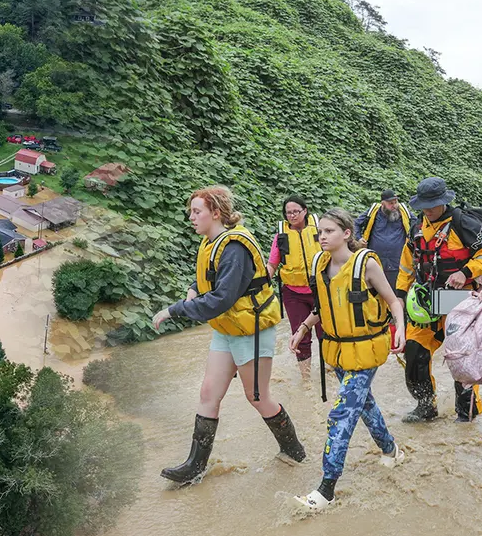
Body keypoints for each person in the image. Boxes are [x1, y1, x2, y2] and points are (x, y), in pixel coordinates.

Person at [153, 186, 306, 484]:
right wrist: (194, 290)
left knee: (257, 397)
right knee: (208, 393)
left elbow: (222, 298)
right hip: (227, 327)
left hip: (251, 328)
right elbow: (209, 278)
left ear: (215, 213)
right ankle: (194, 467)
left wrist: (176, 309)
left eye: (197, 211)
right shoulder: (210, 242)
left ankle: (294, 452)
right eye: (191, 211)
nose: (191, 217)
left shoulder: (234, 248)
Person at [289, 209, 407, 509]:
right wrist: (303, 329)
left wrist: (401, 330)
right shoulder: (320, 265)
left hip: (366, 351)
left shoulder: (366, 265)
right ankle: (391, 450)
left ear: (346, 233)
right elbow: (324, 306)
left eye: (329, 231)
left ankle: (326, 490)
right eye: (320, 232)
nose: (322, 237)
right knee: (364, 405)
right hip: (339, 352)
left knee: (341, 414)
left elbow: (393, 301)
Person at [395, 177, 482, 423]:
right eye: (424, 206)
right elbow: (406, 266)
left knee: (462, 358)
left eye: (432, 205)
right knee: (414, 352)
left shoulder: (465, 224)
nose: (428, 210)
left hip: (460, 301)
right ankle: (425, 406)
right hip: (426, 301)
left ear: (443, 202)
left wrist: (465, 272)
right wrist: (399, 295)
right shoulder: (416, 228)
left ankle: (467, 413)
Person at [267, 195, 323, 381]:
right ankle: (306, 379)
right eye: (288, 212)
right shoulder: (281, 236)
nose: (292, 215)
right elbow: (272, 264)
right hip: (293, 294)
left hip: (321, 290)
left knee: (327, 333)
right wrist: (260, 283)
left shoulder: (319, 229)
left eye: (296, 211)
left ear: (305, 211)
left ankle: (330, 370)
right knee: (301, 335)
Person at [354, 189, 414, 288]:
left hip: (397, 263)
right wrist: (359, 238)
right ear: (382, 204)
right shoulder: (373, 212)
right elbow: (356, 224)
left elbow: (417, 225)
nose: (394, 205)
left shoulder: (404, 213)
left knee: (396, 292)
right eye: (391, 203)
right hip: (375, 262)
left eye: (396, 202)